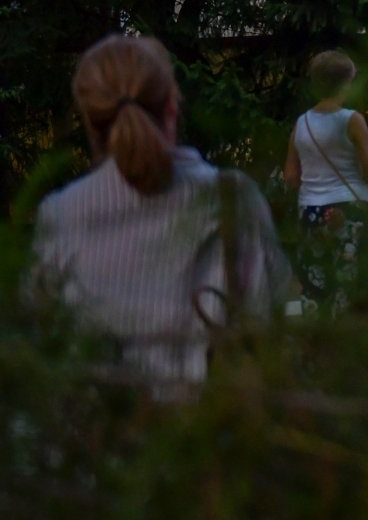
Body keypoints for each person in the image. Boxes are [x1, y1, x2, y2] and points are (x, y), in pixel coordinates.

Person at [30, 35, 291, 395]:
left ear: (90, 120)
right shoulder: (233, 198)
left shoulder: (59, 214)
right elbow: (266, 319)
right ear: (172, 104)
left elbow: (42, 344)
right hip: (208, 437)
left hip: (97, 440)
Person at [284, 50, 368, 316]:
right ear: (347, 83)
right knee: (349, 283)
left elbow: (291, 177)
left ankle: (314, 344)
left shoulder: (301, 124)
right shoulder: (352, 120)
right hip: (350, 210)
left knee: (315, 282)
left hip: (311, 211)